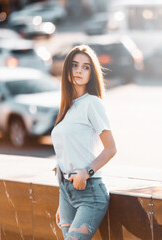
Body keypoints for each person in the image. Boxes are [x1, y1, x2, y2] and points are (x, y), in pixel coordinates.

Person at [51, 45, 117, 240]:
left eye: (86, 67)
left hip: (89, 191)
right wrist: (64, 199)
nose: (79, 70)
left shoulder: (93, 103)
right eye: (75, 65)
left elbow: (111, 148)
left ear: (92, 73)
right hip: (66, 191)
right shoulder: (67, 108)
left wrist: (87, 171)